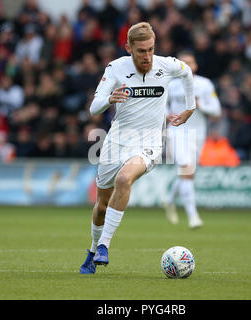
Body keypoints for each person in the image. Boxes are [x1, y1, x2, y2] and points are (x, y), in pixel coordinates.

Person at [79, 22, 196, 274]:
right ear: (128, 48)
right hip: (116, 142)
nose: (147, 56)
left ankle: (104, 247)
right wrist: (110, 98)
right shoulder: (115, 68)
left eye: (151, 49)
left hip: (149, 142)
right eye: (141, 51)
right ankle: (92, 249)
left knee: (124, 179)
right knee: (100, 206)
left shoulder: (167, 65)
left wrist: (190, 107)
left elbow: (187, 73)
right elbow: (94, 107)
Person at [163, 51, 221, 228]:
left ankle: (169, 199)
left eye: (190, 63)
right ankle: (193, 216)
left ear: (195, 66)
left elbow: (217, 111)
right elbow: (162, 108)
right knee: (186, 170)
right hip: (177, 132)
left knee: (188, 173)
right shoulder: (170, 86)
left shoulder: (205, 84)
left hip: (198, 133)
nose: (187, 66)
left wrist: (200, 105)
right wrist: (166, 117)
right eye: (183, 63)